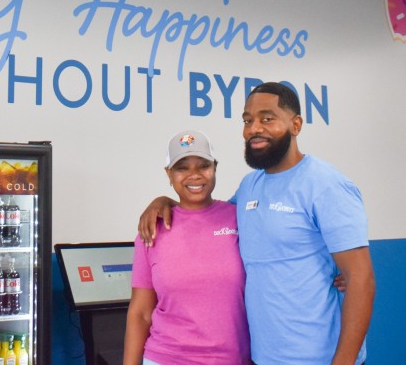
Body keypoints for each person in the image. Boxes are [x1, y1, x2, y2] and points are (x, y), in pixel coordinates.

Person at [138, 82, 375, 365]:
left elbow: (361, 279)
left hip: (318, 358)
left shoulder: (327, 185)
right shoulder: (251, 186)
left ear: (296, 124)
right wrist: (165, 201)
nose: (254, 129)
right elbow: (204, 212)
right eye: (247, 120)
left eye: (267, 118)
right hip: (263, 357)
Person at [124, 129, 250, 365]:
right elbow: (140, 314)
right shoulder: (151, 229)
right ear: (169, 174)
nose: (194, 175)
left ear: (215, 168)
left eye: (203, 166)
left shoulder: (240, 218)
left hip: (232, 359)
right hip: (164, 358)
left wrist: (339, 273)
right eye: (182, 168)